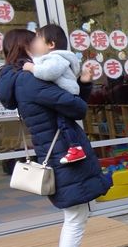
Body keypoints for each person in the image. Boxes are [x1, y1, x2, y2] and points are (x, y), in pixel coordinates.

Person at [0, 29, 111, 247]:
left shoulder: (23, 79)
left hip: (58, 149)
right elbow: (78, 108)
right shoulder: (29, 80)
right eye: (34, 40)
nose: (40, 45)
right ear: (24, 47)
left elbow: (70, 105)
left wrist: (81, 85)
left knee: (76, 212)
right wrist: (82, 86)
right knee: (76, 215)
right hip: (64, 153)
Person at [21, 24, 86, 165]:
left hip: (67, 95)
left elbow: (48, 73)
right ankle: (75, 147)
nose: (34, 42)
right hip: (65, 94)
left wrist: (31, 68)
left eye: (38, 39)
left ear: (51, 44)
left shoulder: (56, 58)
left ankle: (75, 148)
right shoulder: (52, 58)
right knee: (64, 123)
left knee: (64, 123)